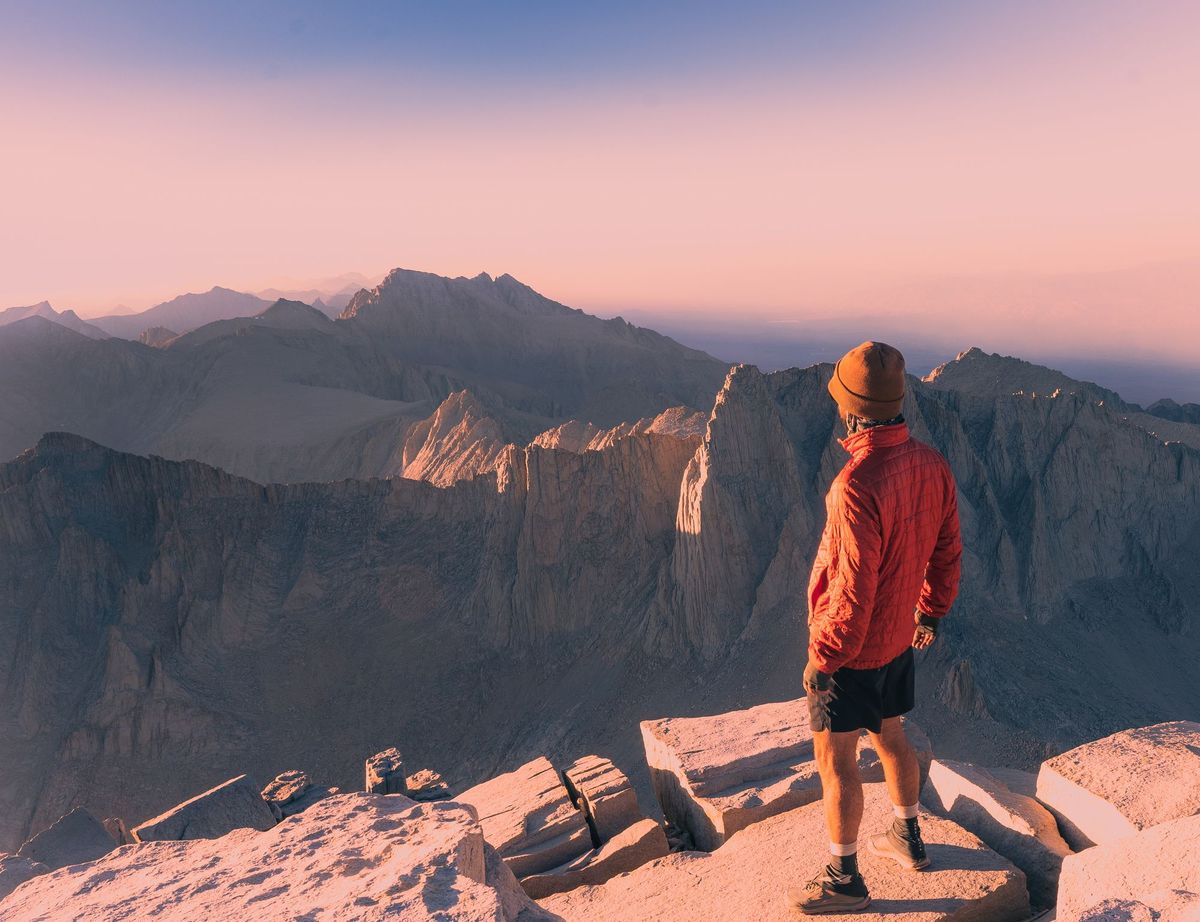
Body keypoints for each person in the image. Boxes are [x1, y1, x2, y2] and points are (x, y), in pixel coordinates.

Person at [788, 341, 962, 915]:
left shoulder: (854, 484)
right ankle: (908, 840)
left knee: (835, 760)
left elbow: (852, 589)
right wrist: (930, 612)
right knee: (892, 738)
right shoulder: (932, 464)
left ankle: (844, 880)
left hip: (854, 651)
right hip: (898, 641)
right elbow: (946, 550)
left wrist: (823, 657)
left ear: (851, 410)